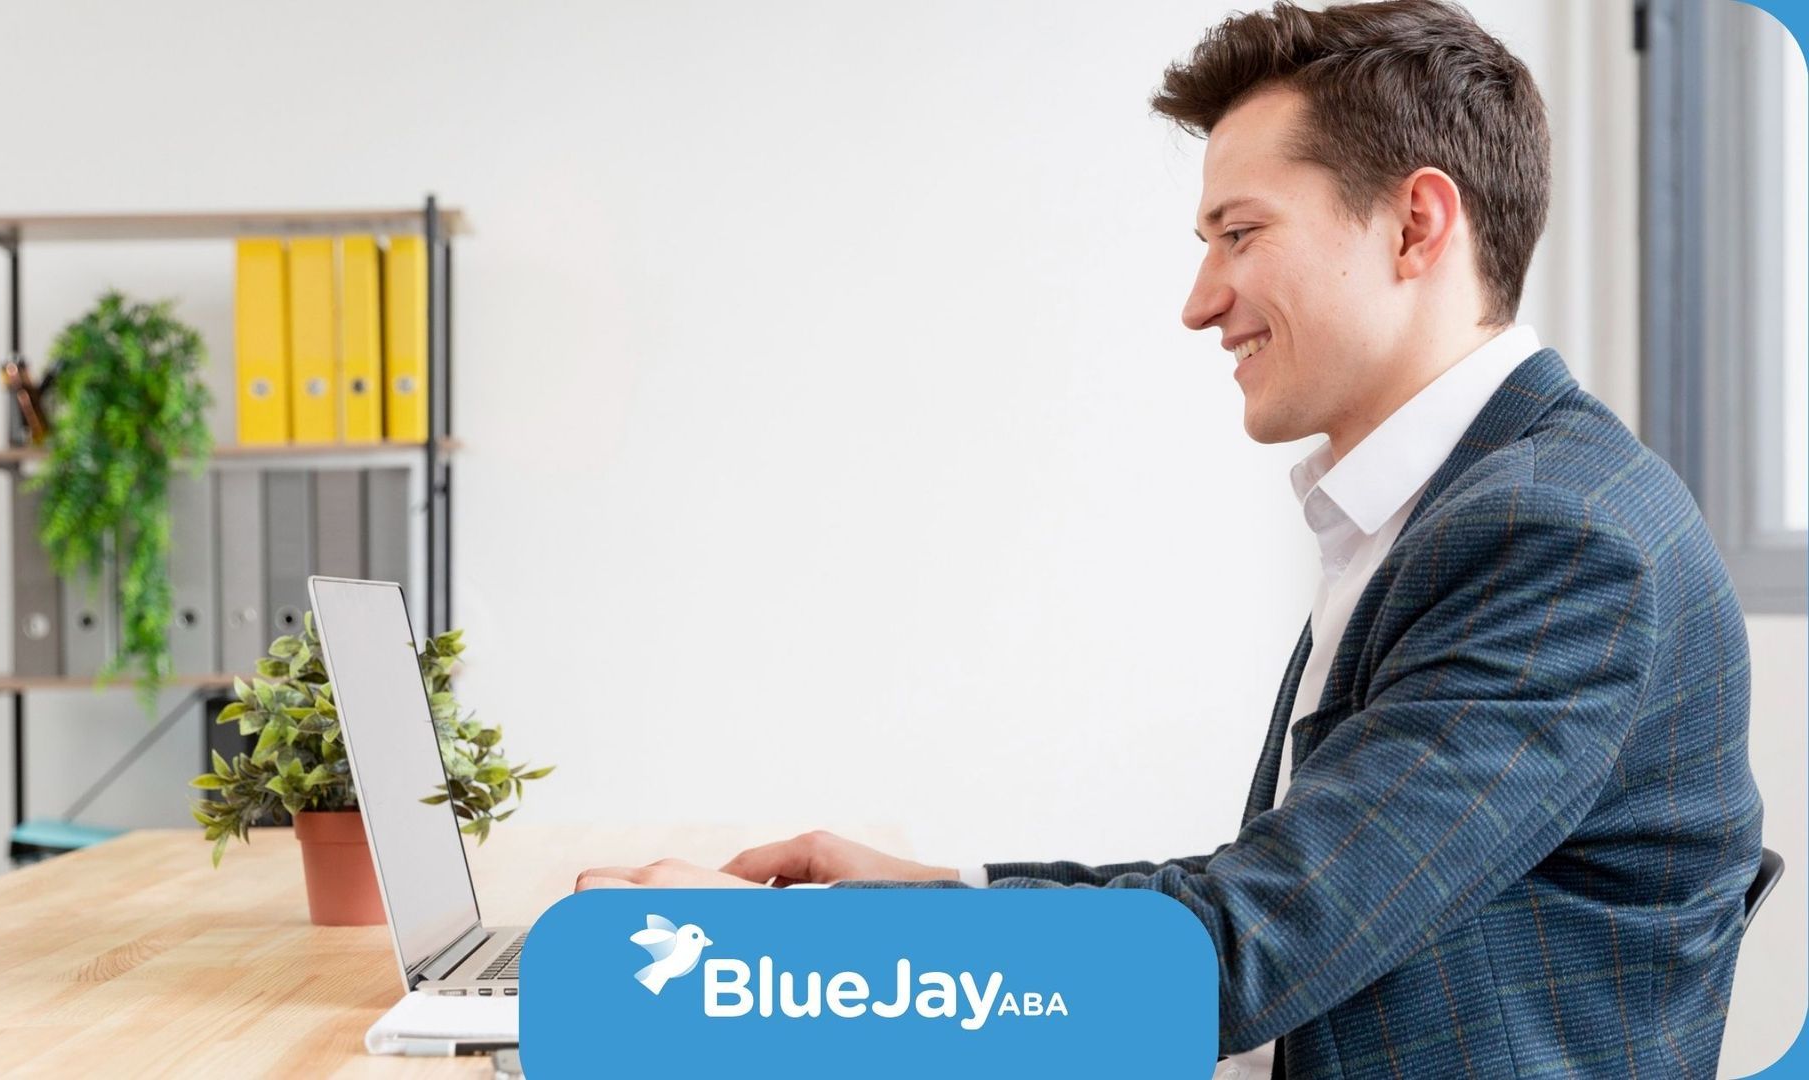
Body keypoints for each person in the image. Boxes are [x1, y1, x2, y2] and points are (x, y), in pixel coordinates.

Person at [575, 2, 1764, 1076]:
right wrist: (931, 891)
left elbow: (1235, 957)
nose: (1200, 299)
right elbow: (1262, 897)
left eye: (1239, 233)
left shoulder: (1558, 539)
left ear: (1415, 224)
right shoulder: (1459, 502)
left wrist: (780, 958)